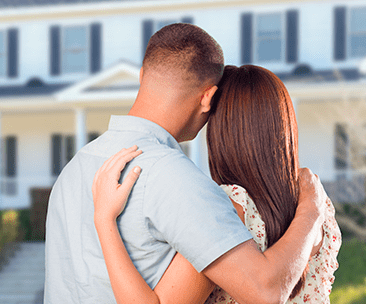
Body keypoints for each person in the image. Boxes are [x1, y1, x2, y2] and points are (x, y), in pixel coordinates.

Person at [44, 23, 327, 304]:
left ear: (142, 76)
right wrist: (311, 209)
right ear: (208, 98)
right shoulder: (176, 178)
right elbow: (264, 292)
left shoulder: (74, 169)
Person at [92, 65, 341, 303]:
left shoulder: (230, 206)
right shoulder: (317, 203)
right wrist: (311, 208)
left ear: (221, 132)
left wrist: (104, 219)